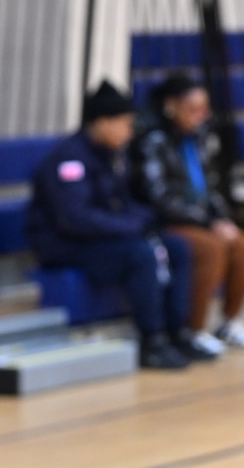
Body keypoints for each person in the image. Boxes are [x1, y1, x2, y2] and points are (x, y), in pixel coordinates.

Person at [27, 80, 208, 370]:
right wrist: (130, 227)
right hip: (65, 246)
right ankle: (152, 341)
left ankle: (178, 333)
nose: (129, 131)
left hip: (100, 240)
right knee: (139, 254)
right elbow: (75, 219)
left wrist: (145, 220)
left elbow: (122, 203)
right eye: (124, 123)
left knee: (175, 247)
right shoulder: (70, 160)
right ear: (102, 122)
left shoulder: (111, 156)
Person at [135, 73, 244, 352]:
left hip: (198, 218)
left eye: (204, 109)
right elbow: (159, 197)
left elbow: (210, 187)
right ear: (171, 106)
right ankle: (193, 329)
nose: (200, 115)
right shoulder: (153, 141)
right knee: (210, 248)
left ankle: (229, 321)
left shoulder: (198, 139)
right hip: (166, 221)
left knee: (242, 245)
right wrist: (207, 222)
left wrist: (221, 218)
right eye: (193, 109)